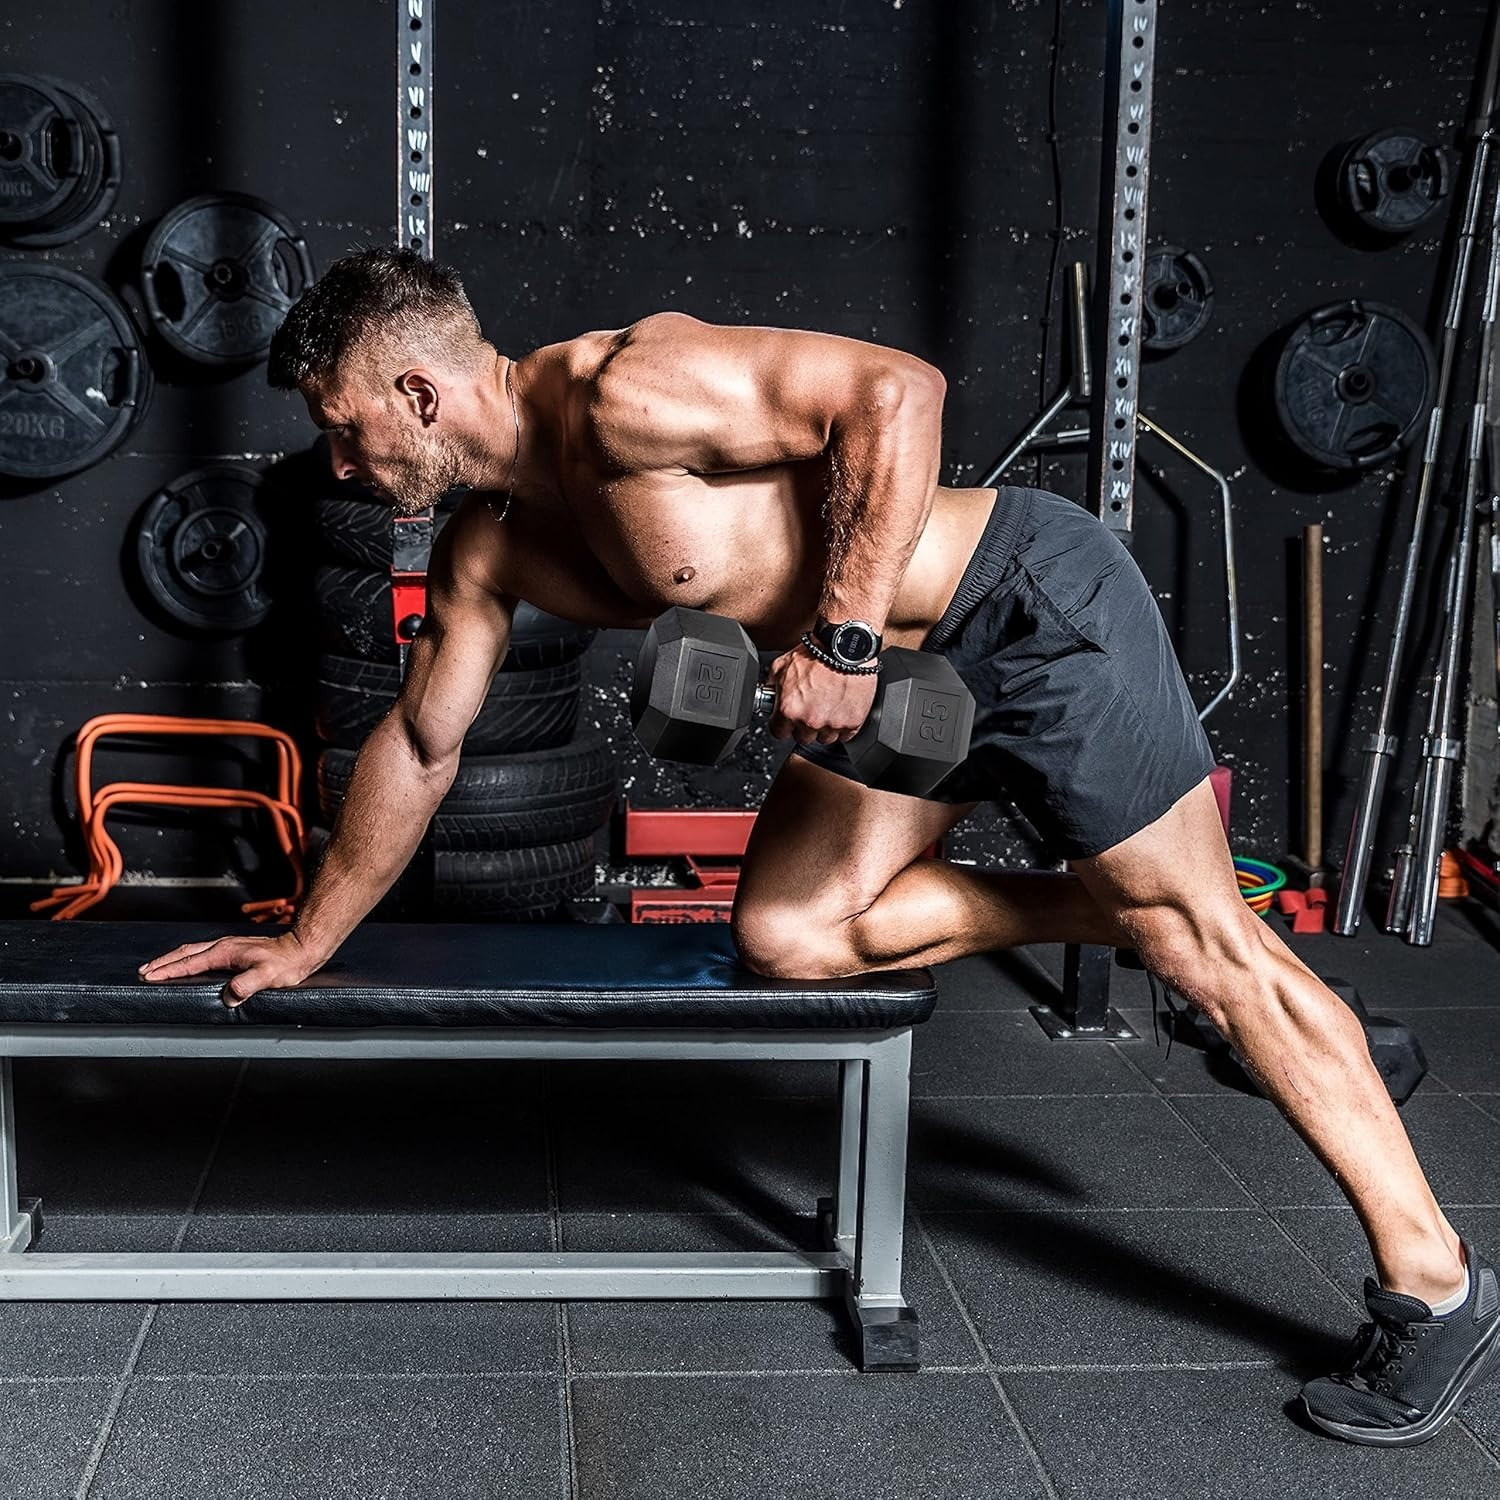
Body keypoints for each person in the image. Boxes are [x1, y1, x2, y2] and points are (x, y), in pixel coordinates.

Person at [140, 248, 1495, 1446]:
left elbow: (897, 390)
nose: (339, 467)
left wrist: (843, 633)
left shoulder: (625, 387)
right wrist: (313, 937)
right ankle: (1165, 930)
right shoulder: (493, 545)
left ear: (419, 395)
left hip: (1021, 609)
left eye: (343, 430)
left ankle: (1432, 1284)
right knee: (793, 936)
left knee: (1205, 948)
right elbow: (423, 746)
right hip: (910, 694)